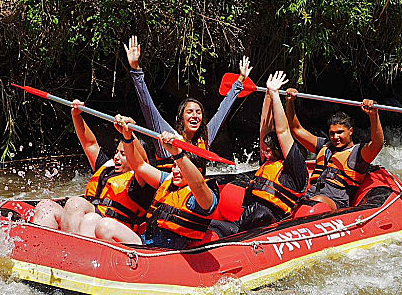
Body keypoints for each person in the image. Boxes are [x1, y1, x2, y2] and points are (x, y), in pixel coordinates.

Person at [93, 117, 219, 249]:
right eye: (174, 166)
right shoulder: (168, 182)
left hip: (163, 253)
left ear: (197, 171)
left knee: (106, 226)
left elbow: (198, 185)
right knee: (92, 219)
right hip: (145, 245)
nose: (175, 170)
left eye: (179, 167)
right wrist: (127, 136)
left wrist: (177, 154)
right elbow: (138, 165)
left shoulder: (204, 198)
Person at [31, 100, 154, 236]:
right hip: (88, 220)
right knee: (45, 207)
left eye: (124, 154)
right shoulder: (107, 168)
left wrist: (129, 133)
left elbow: (143, 162)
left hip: (111, 228)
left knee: (75, 204)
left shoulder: (142, 179)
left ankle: (71, 249)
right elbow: (90, 144)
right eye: (116, 152)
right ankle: (39, 250)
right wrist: (76, 116)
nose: (117, 157)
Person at [124, 35, 252, 165]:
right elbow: (148, 107)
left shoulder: (205, 138)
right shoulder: (167, 136)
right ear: (181, 117)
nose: (195, 115)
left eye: (198, 112)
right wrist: (136, 69)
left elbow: (222, 112)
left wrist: (240, 81)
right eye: (190, 112)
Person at [213, 71, 308, 236]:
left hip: (267, 225)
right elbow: (264, 126)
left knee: (260, 215)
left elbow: (283, 131)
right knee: (209, 225)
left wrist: (277, 94)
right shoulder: (269, 161)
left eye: (271, 150)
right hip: (243, 223)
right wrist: (268, 93)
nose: (266, 153)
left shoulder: (294, 169)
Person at [286, 88, 384, 210]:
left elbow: (377, 144)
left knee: (314, 205)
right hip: (311, 197)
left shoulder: (358, 154)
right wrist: (290, 102)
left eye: (340, 132)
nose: (335, 137)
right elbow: (296, 129)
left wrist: (374, 114)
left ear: (351, 131)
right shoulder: (324, 146)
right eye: (332, 133)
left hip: (336, 202)